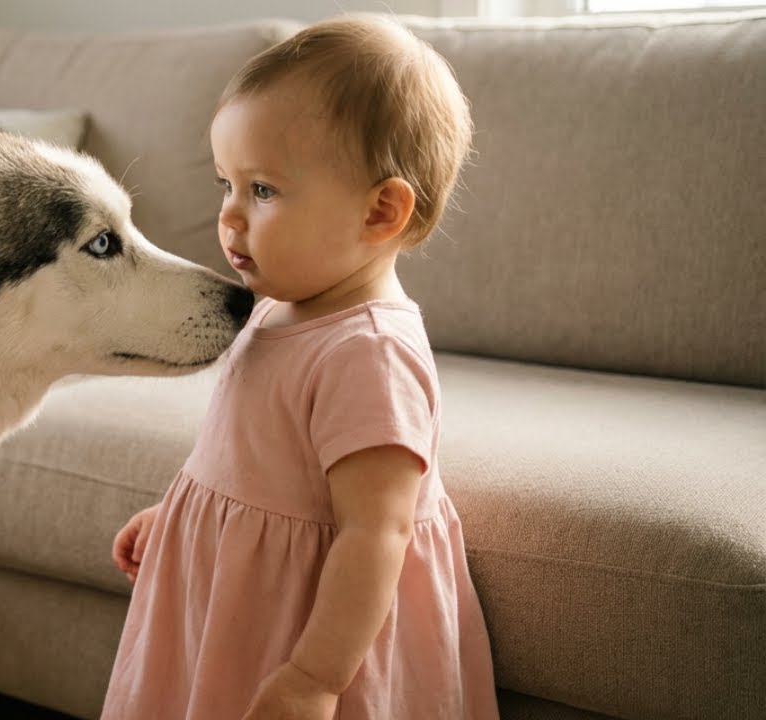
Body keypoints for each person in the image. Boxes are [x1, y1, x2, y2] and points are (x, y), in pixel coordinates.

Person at [100, 14, 499, 720]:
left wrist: (314, 677)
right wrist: (182, 517)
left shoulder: (369, 352)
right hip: (241, 602)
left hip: (310, 629)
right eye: (225, 184)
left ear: (380, 212)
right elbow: (253, 461)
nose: (230, 217)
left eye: (262, 190)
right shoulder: (274, 310)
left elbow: (376, 534)